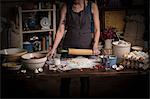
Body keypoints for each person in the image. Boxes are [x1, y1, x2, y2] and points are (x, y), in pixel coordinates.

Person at [47, 0, 100, 97]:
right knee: (65, 77)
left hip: (86, 48)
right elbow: (60, 29)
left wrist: (95, 44)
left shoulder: (93, 7)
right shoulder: (65, 6)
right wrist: (53, 48)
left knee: (84, 79)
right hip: (68, 47)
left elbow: (97, 29)